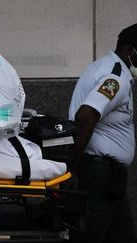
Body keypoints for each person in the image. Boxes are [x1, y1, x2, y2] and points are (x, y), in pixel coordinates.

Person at [68, 23, 137, 243]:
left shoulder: (108, 67)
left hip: (109, 176)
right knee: (91, 236)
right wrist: (73, 167)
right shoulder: (115, 77)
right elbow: (86, 116)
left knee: (123, 236)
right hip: (99, 173)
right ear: (130, 50)